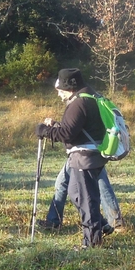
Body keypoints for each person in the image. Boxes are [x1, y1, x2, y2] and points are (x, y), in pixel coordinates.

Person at [35, 68, 108, 248]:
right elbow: (79, 129)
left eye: (60, 91)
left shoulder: (79, 103)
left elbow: (67, 134)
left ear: (70, 87)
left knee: (86, 198)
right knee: (75, 193)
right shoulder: (90, 96)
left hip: (85, 157)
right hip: (89, 155)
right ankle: (101, 225)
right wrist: (56, 126)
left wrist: (45, 131)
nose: (60, 95)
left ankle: (91, 243)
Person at [40, 161, 124, 234]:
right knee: (100, 180)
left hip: (82, 149)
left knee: (63, 183)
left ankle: (53, 221)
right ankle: (115, 221)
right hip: (90, 148)